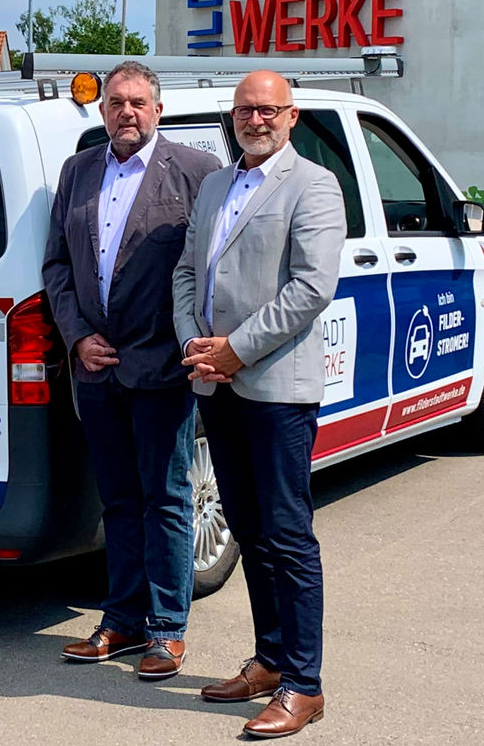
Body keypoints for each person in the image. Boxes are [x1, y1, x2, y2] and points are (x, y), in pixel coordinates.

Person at [173, 70, 345, 738]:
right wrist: (192, 340)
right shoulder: (217, 183)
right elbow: (188, 270)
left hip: (274, 387)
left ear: (291, 116)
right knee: (249, 528)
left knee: (288, 535)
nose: (256, 119)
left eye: (269, 110)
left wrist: (235, 350)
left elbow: (311, 288)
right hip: (216, 382)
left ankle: (305, 682)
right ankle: (270, 660)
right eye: (246, 109)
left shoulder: (314, 185)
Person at [42, 61, 219, 680]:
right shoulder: (78, 171)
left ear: (158, 110)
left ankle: (167, 629)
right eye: (116, 102)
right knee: (116, 500)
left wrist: (191, 341)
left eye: (138, 102)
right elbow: (57, 265)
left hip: (163, 366)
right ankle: (121, 620)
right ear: (102, 111)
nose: (127, 112)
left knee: (165, 499)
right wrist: (76, 336)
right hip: (96, 368)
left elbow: (209, 267)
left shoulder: (196, 171)